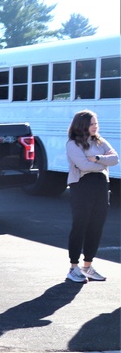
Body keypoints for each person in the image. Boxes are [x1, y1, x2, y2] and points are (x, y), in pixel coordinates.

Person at [65, 110, 118, 283]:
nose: (95, 126)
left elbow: (115, 158)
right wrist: (102, 163)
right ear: (82, 125)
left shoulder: (100, 141)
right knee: (80, 225)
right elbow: (83, 165)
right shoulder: (73, 144)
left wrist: (96, 158)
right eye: (92, 124)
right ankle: (73, 268)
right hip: (82, 186)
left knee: (96, 225)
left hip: (101, 185)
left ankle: (87, 266)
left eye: (96, 123)